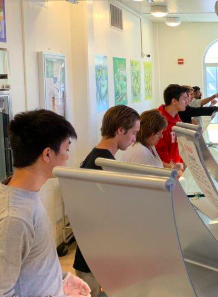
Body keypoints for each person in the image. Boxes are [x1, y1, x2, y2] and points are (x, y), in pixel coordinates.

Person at [1, 110, 90, 297]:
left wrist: (61, 280)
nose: (67, 156)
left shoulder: (26, 195)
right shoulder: (14, 218)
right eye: (66, 149)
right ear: (47, 154)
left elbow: (31, 263)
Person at [74, 105, 140, 295]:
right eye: (134, 133)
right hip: (94, 263)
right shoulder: (103, 165)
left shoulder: (96, 157)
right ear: (120, 130)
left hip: (93, 257)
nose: (134, 139)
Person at [120, 109, 183, 176]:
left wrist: (172, 168)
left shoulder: (150, 145)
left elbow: (157, 164)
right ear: (148, 132)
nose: (161, 136)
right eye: (158, 134)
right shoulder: (140, 153)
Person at [156, 84, 189, 166]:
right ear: (174, 101)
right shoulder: (159, 120)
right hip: (169, 170)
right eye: (184, 99)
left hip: (177, 165)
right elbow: (161, 152)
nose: (187, 102)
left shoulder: (177, 118)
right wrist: (175, 170)